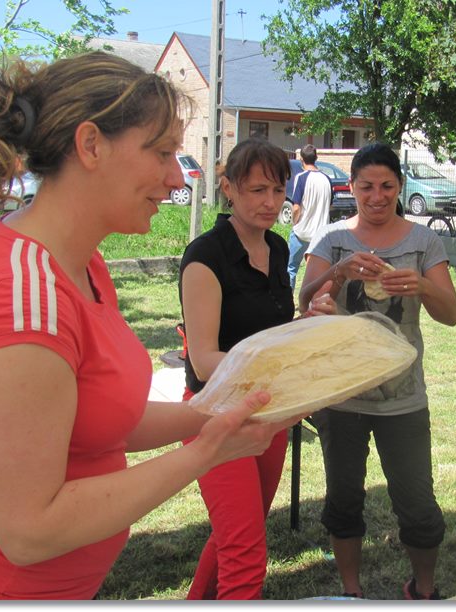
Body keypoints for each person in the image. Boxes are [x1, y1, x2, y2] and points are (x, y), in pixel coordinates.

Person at [0, 52, 304, 600]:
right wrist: (205, 452)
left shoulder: (80, 264)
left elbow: (102, 416)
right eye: (163, 152)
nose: (176, 177)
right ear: (91, 145)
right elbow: (28, 531)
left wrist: (218, 415)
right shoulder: (23, 302)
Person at [298, 142, 456, 600]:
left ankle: (422, 590)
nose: (377, 196)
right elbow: (306, 303)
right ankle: (352, 593)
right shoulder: (333, 238)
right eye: (366, 186)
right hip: (342, 395)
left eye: (387, 186)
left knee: (418, 504)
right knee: (344, 500)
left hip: (402, 397)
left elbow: (450, 314)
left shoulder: (423, 241)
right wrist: (340, 272)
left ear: (400, 187)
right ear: (352, 187)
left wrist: (422, 284)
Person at [178, 138, 335, 600]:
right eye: (257, 190)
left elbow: (272, 333)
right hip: (214, 414)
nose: (271, 202)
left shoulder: (277, 246)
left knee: (236, 534)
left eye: (278, 190)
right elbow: (204, 360)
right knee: (245, 552)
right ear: (228, 188)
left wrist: (308, 323)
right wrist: (278, 365)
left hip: (267, 412)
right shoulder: (205, 256)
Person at [286, 144, 332, 290]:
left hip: (302, 232)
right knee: (317, 274)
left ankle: (288, 300)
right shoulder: (326, 179)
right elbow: (330, 205)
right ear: (316, 158)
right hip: (320, 234)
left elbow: (296, 207)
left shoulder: (301, 178)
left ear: (301, 159)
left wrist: (294, 222)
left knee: (291, 269)